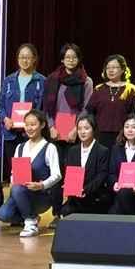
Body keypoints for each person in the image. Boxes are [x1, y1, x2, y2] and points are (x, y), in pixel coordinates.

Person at [44, 43, 93, 224]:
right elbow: (47, 107)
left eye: (74, 57)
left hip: (77, 133)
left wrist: (76, 129)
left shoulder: (86, 81)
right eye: (67, 57)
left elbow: (87, 108)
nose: (71, 60)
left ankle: (72, 208)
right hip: (56, 134)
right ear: (62, 59)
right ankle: (57, 212)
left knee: (74, 173)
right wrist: (51, 127)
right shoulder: (52, 79)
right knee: (56, 173)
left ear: (79, 59)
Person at [0, 110, 61, 237]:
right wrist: (13, 181)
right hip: (19, 192)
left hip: (41, 195)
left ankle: (30, 222)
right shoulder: (20, 147)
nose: (29, 128)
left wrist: (42, 185)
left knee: (18, 189)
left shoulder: (49, 147)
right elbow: (14, 172)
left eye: (33, 124)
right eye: (27, 125)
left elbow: (57, 175)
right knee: (3, 215)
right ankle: (31, 216)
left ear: (42, 125)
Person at [0, 43, 45, 183]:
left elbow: (43, 107)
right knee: (15, 171)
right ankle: (16, 193)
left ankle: (29, 193)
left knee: (31, 169)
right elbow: (0, 105)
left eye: (28, 57)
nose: (25, 60)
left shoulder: (42, 81)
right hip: (11, 133)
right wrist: (5, 118)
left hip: (31, 132)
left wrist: (34, 122)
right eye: (21, 57)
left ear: (34, 59)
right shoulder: (9, 80)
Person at [59, 114, 111, 216]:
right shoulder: (72, 150)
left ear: (93, 130)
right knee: (65, 211)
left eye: (86, 128)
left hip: (94, 196)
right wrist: (68, 185)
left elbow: (101, 176)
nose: (82, 132)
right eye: (79, 129)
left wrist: (85, 190)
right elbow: (69, 172)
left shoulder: (103, 151)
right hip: (75, 197)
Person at [87, 55, 135, 149]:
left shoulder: (130, 89)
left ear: (122, 69)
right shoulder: (98, 89)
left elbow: (134, 114)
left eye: (114, 67)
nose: (110, 70)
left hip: (123, 135)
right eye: (108, 68)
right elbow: (90, 112)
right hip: (100, 135)